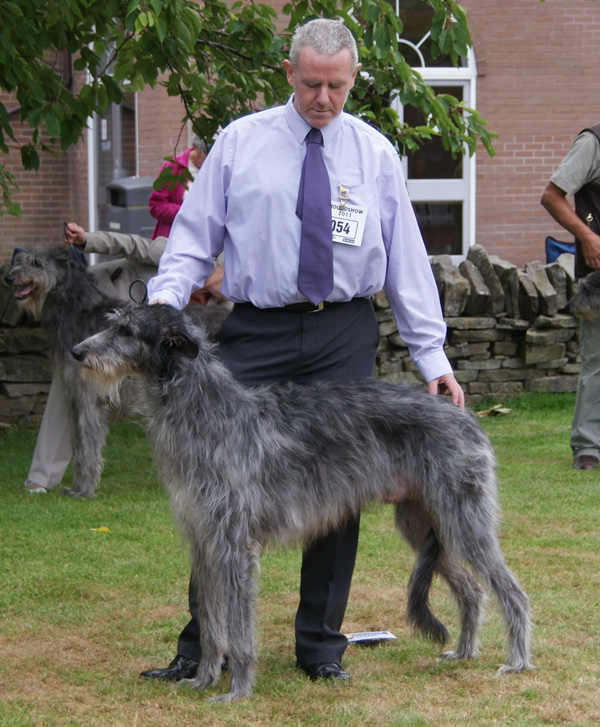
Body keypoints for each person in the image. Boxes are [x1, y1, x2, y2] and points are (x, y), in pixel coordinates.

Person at [141, 18, 464, 685]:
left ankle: (320, 644)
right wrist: (163, 305)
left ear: (352, 79)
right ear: (289, 74)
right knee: (218, 489)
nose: (324, 97)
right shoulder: (240, 143)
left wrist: (433, 358)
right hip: (255, 329)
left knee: (337, 492)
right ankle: (203, 643)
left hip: (340, 330)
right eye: (313, 83)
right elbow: (193, 238)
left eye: (337, 85)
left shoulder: (374, 153)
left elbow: (406, 262)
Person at [24, 223, 224, 494]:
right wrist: (87, 239)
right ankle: (49, 477)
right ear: (216, 267)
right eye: (215, 289)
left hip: (147, 335)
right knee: (75, 392)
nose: (214, 297)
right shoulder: (179, 252)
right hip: (112, 304)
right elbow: (129, 243)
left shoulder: (224, 302)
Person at [541, 122, 600, 471]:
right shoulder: (593, 143)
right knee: (597, 364)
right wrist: (587, 236)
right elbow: (551, 195)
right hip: (599, 278)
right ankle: (589, 447)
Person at [148, 135, 207, 239]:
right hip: (172, 239)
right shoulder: (172, 166)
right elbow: (156, 206)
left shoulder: (215, 172)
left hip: (202, 240)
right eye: (207, 156)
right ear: (198, 149)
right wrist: (186, 212)